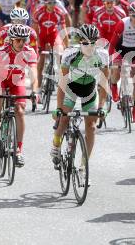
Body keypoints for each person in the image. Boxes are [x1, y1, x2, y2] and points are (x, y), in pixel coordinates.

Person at [50, 25, 108, 168]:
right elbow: (62, 83)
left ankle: (84, 165)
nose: (89, 46)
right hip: (71, 88)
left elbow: (104, 84)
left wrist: (101, 107)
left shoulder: (102, 55)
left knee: (91, 126)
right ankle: (56, 145)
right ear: (79, 42)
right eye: (85, 43)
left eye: (93, 43)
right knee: (64, 119)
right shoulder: (70, 54)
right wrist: (58, 108)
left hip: (89, 90)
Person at [0, 24, 39, 167]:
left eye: (24, 40)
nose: (21, 43)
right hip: (2, 80)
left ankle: (18, 150)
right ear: (10, 40)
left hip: (18, 82)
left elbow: (33, 73)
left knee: (20, 111)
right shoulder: (0, 52)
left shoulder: (29, 52)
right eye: (18, 40)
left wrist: (35, 91)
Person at [32, 0, 67, 88]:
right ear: (45, 2)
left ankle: (60, 78)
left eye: (54, 2)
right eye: (49, 2)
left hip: (53, 35)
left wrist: (66, 46)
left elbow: (63, 30)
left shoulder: (59, 13)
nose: (52, 5)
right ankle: (38, 87)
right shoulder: (38, 12)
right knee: (41, 61)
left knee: (60, 54)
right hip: (41, 36)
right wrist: (38, 44)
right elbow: (35, 30)